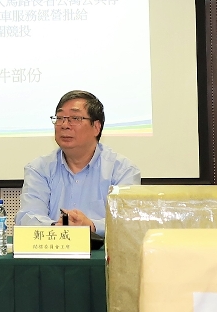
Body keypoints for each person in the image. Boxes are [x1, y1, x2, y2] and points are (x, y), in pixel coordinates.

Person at [16, 90, 141, 235]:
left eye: (75, 118)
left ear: (96, 127)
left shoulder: (122, 170)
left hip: (102, 249)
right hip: (55, 247)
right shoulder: (39, 169)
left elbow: (128, 221)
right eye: (60, 118)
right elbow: (27, 216)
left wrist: (91, 226)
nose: (64, 125)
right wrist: (57, 227)